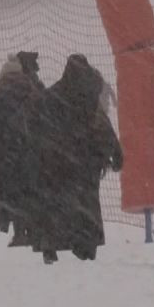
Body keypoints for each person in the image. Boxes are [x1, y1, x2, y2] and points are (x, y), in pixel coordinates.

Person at [34, 55, 122, 265]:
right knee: (87, 204)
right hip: (87, 162)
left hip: (57, 162)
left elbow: (37, 128)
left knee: (55, 203)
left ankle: (51, 243)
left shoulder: (51, 96)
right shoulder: (90, 96)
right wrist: (116, 153)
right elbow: (102, 125)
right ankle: (86, 245)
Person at [0, 55, 42, 247]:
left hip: (6, 152)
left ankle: (19, 233)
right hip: (31, 150)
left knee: (12, 193)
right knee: (31, 191)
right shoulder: (33, 92)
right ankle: (33, 231)